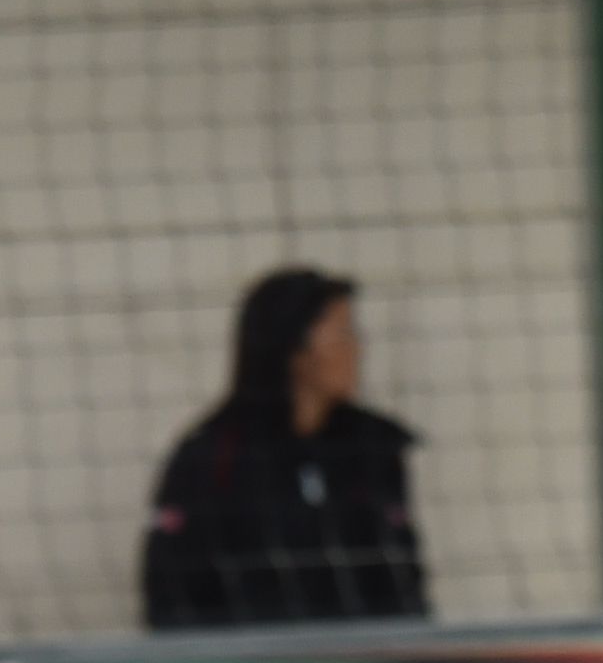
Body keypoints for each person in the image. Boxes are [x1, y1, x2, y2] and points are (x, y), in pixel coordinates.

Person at [140, 266, 426, 630]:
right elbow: (169, 593)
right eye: (343, 332)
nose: (357, 348)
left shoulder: (373, 447)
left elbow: (404, 580)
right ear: (295, 350)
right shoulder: (214, 454)